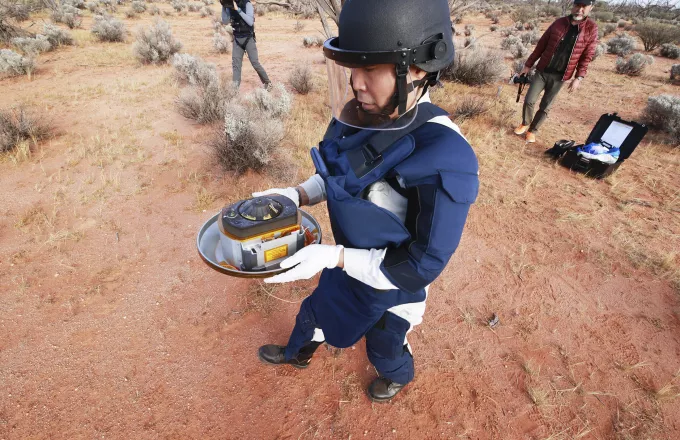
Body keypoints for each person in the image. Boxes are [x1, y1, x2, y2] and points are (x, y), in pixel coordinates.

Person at [252, 0, 479, 402]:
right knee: (316, 312)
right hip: (345, 259)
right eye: (351, 68)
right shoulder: (358, 114)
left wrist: (334, 257)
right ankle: (297, 353)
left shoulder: (446, 156)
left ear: (419, 68)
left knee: (384, 344)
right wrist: (297, 195)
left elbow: (418, 265)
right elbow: (336, 175)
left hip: (393, 285)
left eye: (370, 68)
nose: (356, 83)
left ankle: (398, 375)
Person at [514, 0, 598, 143]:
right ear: (573, 6)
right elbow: (541, 45)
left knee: (546, 106)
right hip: (542, 70)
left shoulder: (591, 28)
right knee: (529, 100)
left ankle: (532, 131)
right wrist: (528, 65)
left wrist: (579, 78)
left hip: (561, 76)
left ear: (591, 8)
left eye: (584, 7)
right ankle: (525, 123)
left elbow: (587, 56)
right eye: (578, 5)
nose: (580, 10)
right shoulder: (559, 23)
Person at [220, 0, 271, 90]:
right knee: (236, 65)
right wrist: (224, 6)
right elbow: (225, 21)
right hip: (237, 40)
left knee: (255, 63)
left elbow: (250, 22)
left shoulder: (247, 4)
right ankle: (234, 91)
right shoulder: (230, 5)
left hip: (248, 39)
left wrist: (237, 9)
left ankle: (267, 83)